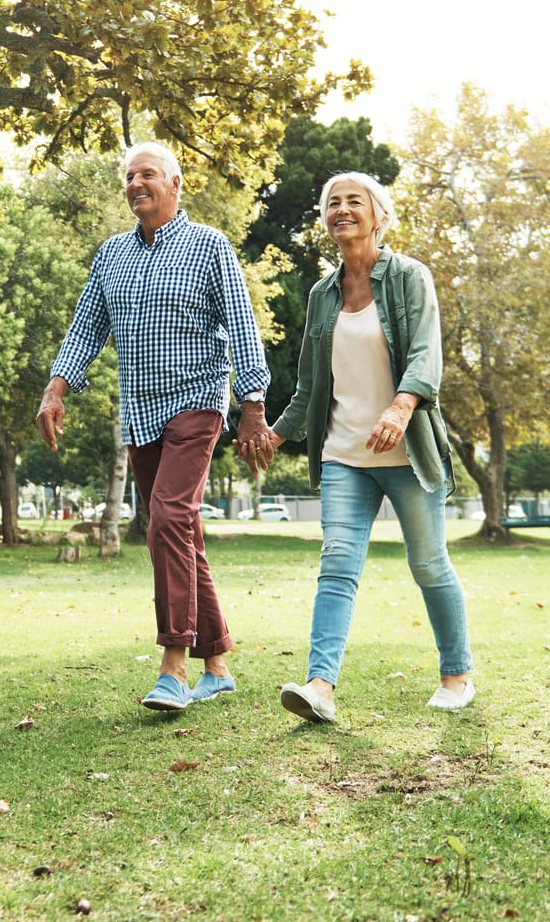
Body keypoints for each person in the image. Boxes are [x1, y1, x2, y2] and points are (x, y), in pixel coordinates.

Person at [40, 141, 274, 711]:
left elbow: (242, 326)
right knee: (180, 529)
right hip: (140, 410)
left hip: (198, 399)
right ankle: (216, 663)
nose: (136, 183)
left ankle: (174, 665)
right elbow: (86, 327)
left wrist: (252, 405)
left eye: (147, 174)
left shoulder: (208, 245)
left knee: (167, 516)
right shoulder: (112, 255)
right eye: (129, 176)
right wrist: (56, 388)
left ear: (174, 183)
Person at [244, 171, 475, 723]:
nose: (341, 209)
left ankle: (457, 675)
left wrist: (400, 408)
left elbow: (424, 354)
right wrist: (276, 432)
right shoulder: (322, 295)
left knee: (428, 563)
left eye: (354, 201)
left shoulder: (410, 278)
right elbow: (309, 387)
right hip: (345, 454)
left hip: (408, 453)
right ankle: (319, 687)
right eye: (332, 203)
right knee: (337, 565)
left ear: (379, 215)